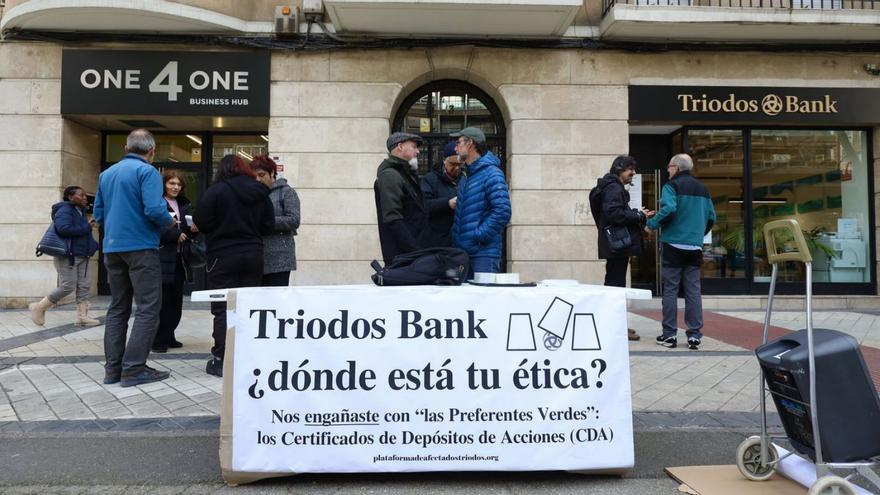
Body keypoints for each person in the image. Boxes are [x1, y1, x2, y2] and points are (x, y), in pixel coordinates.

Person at [93, 129, 174, 387]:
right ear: (151, 151)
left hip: (112, 247)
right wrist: (169, 221)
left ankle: (112, 370)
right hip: (141, 247)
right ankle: (134, 369)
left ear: (127, 149)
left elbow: (99, 213)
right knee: (149, 308)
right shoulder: (147, 172)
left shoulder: (106, 174)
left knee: (118, 307)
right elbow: (153, 208)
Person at [194, 154, 274, 377]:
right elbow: (268, 225)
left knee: (223, 309)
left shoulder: (216, 192)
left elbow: (201, 221)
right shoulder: (260, 191)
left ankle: (221, 359)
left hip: (223, 256)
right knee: (248, 307)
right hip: (253, 255)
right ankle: (247, 356)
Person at [646, 153, 716, 350]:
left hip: (673, 244)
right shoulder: (703, 189)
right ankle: (694, 336)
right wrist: (697, 234)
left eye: (669, 166)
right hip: (694, 246)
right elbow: (712, 217)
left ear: (676, 167)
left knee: (670, 290)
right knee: (693, 291)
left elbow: (669, 209)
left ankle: (669, 336)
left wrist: (651, 224)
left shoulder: (672, 186)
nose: (668, 170)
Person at [591, 155, 654, 341]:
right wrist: (638, 215)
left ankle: (615, 326)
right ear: (619, 170)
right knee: (615, 287)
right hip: (617, 246)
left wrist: (636, 214)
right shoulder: (613, 188)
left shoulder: (610, 187)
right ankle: (615, 328)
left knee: (614, 285)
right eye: (630, 169)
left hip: (615, 245)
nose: (633, 173)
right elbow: (614, 214)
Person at [29, 186, 100, 327]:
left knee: (84, 286)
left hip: (83, 255)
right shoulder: (64, 210)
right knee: (68, 286)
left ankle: (82, 317)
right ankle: (39, 307)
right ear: (70, 197)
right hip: (68, 255)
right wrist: (87, 227)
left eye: (85, 195)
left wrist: (93, 245)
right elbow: (64, 229)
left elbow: (82, 234)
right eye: (81, 195)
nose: (85, 197)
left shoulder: (80, 211)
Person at [450, 127, 511, 278]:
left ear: (470, 143)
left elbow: (502, 211)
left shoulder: (492, 173)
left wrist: (478, 236)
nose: (455, 148)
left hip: (483, 254)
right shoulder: (466, 174)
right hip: (463, 254)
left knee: (484, 300)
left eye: (458, 143)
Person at [153, 170, 197, 353]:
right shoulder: (157, 203)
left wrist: (193, 229)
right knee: (161, 302)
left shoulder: (182, 204)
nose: (175, 187)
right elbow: (154, 229)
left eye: (178, 184)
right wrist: (174, 234)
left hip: (179, 259)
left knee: (175, 301)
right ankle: (158, 340)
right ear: (164, 185)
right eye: (171, 183)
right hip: (162, 258)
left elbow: (183, 228)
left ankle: (169, 335)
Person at [374, 132, 429, 265]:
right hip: (404, 256)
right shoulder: (390, 175)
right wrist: (415, 250)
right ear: (400, 146)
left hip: (412, 254)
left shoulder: (405, 173)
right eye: (414, 146)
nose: (417, 152)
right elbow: (393, 219)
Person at [251, 155, 301, 287]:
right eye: (254, 176)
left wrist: (268, 221)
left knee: (276, 300)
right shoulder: (252, 193)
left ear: (272, 173)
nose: (258, 179)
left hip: (280, 259)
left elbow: (294, 220)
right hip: (256, 257)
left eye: (261, 175)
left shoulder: (287, 192)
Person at [420, 141, 461, 247]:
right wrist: (447, 203)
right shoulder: (430, 179)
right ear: (444, 161)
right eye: (453, 164)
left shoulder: (465, 178)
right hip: (439, 240)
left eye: (459, 164)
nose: (457, 168)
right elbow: (424, 205)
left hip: (462, 238)